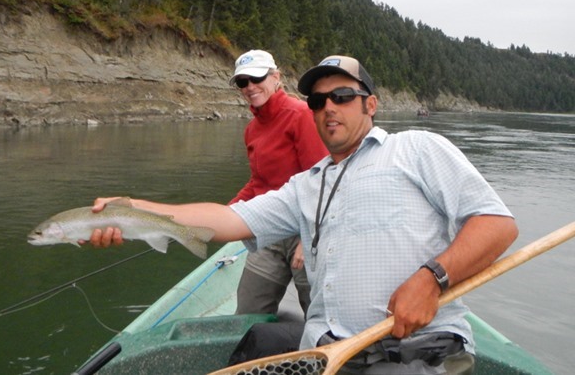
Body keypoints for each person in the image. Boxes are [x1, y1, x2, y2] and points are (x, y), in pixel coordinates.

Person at [88, 55, 518, 374]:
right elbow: (225, 219)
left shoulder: (417, 149)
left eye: (343, 96)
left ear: (371, 104)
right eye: (317, 100)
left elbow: (496, 224)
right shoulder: (305, 185)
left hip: (415, 352)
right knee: (257, 338)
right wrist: (135, 209)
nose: (328, 107)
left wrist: (431, 279)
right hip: (327, 355)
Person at [228, 49, 328, 316]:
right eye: (242, 82)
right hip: (269, 228)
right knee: (248, 311)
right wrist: (226, 214)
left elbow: (322, 178)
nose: (250, 86)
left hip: (306, 229)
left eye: (257, 78)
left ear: (276, 77)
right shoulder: (252, 130)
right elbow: (259, 181)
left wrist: (308, 240)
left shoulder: (301, 115)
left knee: (318, 313)